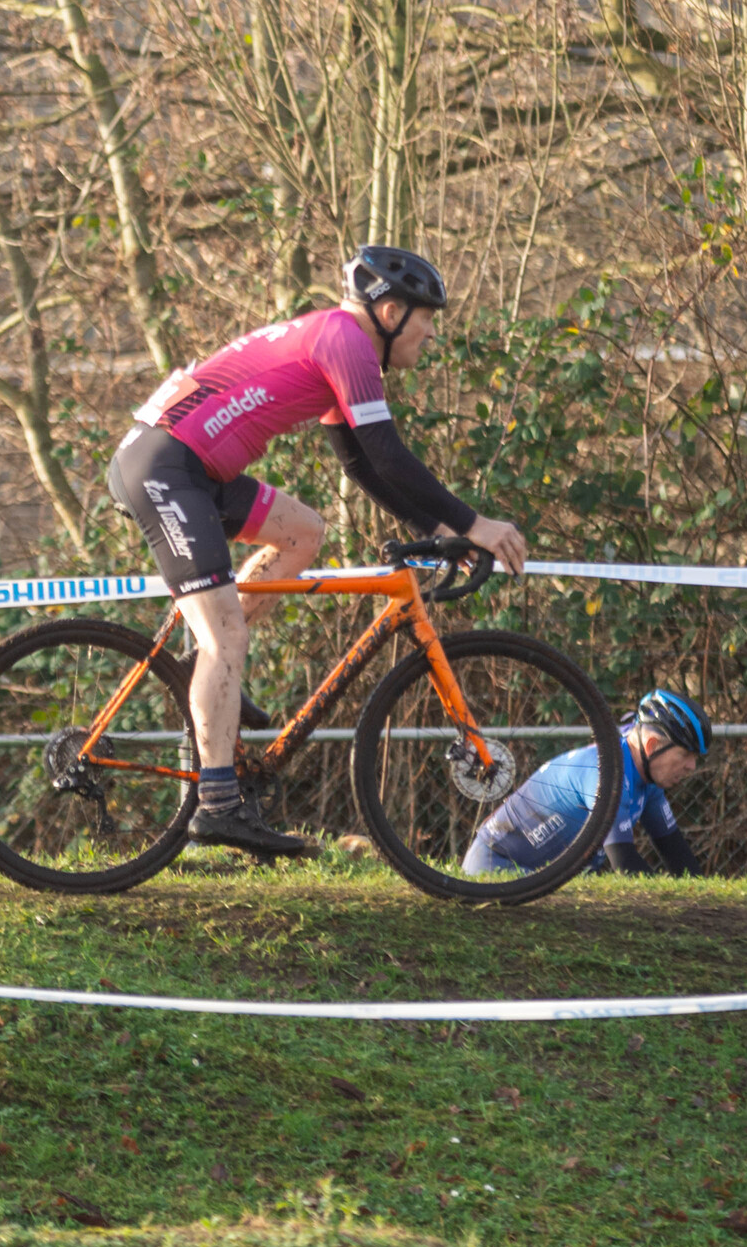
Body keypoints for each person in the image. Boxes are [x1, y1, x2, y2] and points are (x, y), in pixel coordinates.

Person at [107, 246, 528, 856]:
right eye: (427, 318)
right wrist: (473, 522)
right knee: (226, 639)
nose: (432, 333)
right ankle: (218, 808)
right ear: (389, 312)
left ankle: (211, 675)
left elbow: (359, 464)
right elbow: (387, 453)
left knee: (304, 532)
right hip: (167, 469)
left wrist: (439, 529)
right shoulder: (346, 341)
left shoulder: (333, 341)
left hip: (187, 465)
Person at [463, 686, 712, 881]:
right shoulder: (609, 773)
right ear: (652, 746)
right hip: (496, 864)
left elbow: (677, 854)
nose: (691, 767)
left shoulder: (647, 778)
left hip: (537, 875)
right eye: (685, 755)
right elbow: (624, 864)